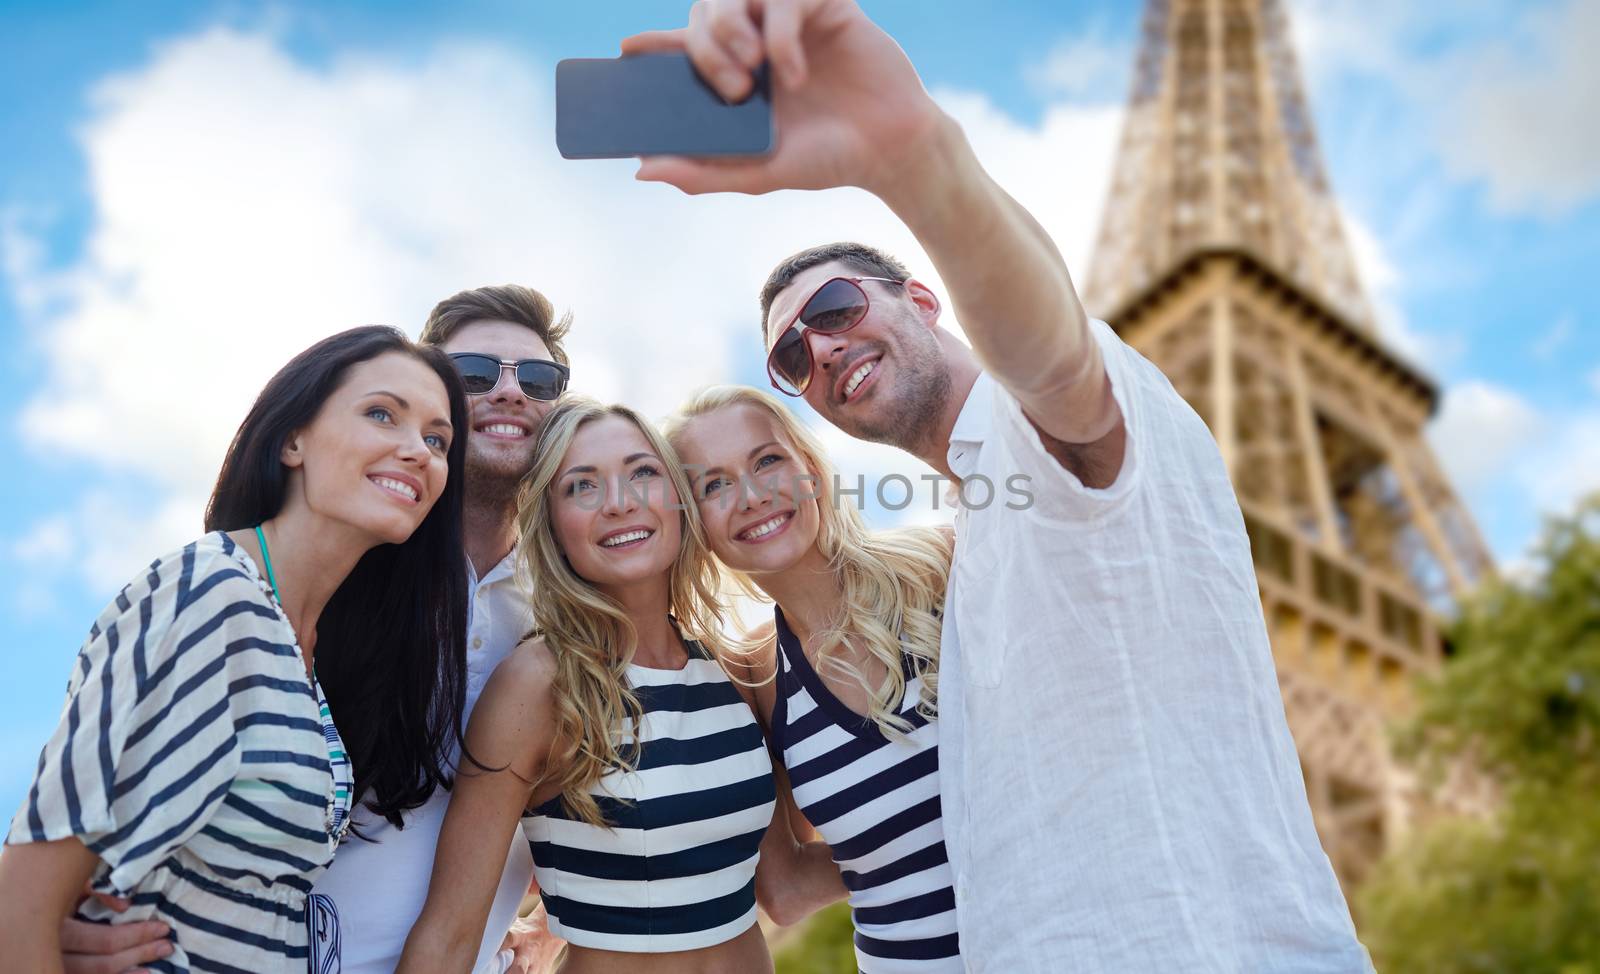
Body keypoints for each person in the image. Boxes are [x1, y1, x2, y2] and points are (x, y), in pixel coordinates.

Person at [624, 2, 1373, 969]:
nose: (825, 348)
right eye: (794, 358)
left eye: (842, 307)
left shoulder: (1035, 437)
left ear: (924, 300)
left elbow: (1057, 367)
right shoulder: (976, 534)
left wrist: (914, 162)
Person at [54, 286, 575, 974]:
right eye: (474, 374)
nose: (511, 393)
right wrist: (63, 910)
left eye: (538, 380)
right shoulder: (325, 569)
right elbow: (99, 785)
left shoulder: (569, 618)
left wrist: (554, 922)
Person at [0, 325, 471, 973]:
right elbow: (23, 892)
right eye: (382, 414)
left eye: (437, 439)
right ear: (292, 439)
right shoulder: (212, 593)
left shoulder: (305, 649)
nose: (417, 450)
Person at [397, 397, 843, 974]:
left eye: (642, 473)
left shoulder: (736, 674)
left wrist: (952, 835)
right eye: (582, 486)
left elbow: (785, 887)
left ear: (678, 500)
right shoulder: (538, 684)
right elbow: (450, 934)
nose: (619, 503)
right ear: (552, 525)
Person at [666, 384, 962, 972]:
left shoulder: (944, 566)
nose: (752, 496)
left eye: (767, 461)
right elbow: (787, 890)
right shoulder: (750, 680)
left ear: (810, 467)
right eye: (715, 485)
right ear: (691, 523)